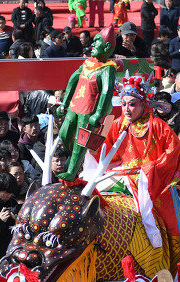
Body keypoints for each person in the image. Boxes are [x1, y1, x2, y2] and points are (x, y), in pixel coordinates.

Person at [101, 73, 180, 248]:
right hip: (122, 174)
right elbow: (107, 151)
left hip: (150, 179)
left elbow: (174, 151)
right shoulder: (117, 124)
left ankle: (159, 243)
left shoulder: (157, 125)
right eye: (123, 104)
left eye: (132, 104)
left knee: (149, 214)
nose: (127, 109)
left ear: (143, 104)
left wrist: (151, 169)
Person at [55, 26, 117, 181]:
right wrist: (64, 102)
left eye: (97, 41)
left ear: (107, 47)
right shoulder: (87, 63)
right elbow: (72, 80)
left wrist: (99, 114)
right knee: (64, 133)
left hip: (88, 111)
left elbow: (106, 92)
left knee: (80, 141)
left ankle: (71, 172)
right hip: (74, 106)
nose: (93, 45)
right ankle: (74, 160)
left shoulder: (107, 69)